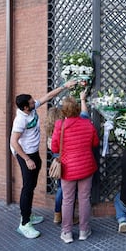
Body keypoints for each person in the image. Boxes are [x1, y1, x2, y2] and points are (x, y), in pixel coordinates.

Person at [10, 80, 77, 239]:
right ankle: (24, 223)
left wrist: (64, 87)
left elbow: (48, 96)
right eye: (32, 102)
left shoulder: (31, 109)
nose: (35, 102)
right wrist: (26, 159)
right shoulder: (20, 120)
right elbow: (13, 141)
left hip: (32, 153)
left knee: (31, 185)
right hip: (24, 153)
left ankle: (29, 214)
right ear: (25, 107)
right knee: (27, 187)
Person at [51, 96, 99, 244]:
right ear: (78, 109)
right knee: (84, 199)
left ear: (64, 111)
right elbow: (95, 143)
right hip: (86, 167)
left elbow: (54, 148)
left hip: (68, 169)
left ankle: (67, 233)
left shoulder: (60, 125)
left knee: (68, 200)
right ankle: (84, 230)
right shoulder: (88, 124)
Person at [46, 91, 89, 224]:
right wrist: (82, 100)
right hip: (69, 158)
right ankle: (67, 218)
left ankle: (57, 214)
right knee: (70, 192)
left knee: (61, 188)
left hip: (58, 158)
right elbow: (84, 116)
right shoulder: (64, 126)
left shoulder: (50, 131)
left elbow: (53, 148)